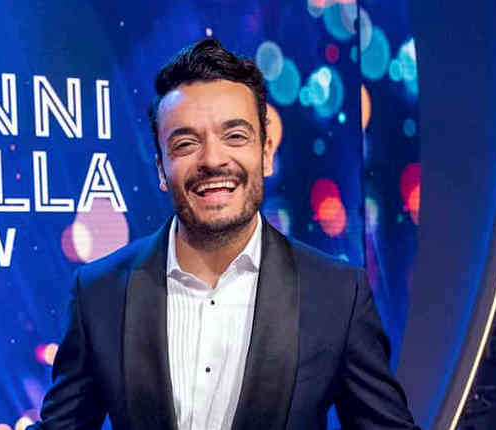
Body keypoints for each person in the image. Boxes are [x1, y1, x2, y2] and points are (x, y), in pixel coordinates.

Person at [29, 38, 419, 430]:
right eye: (186, 143)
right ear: (162, 168)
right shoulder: (100, 293)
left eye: (235, 136)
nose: (213, 160)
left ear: (265, 153)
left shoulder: (337, 294)